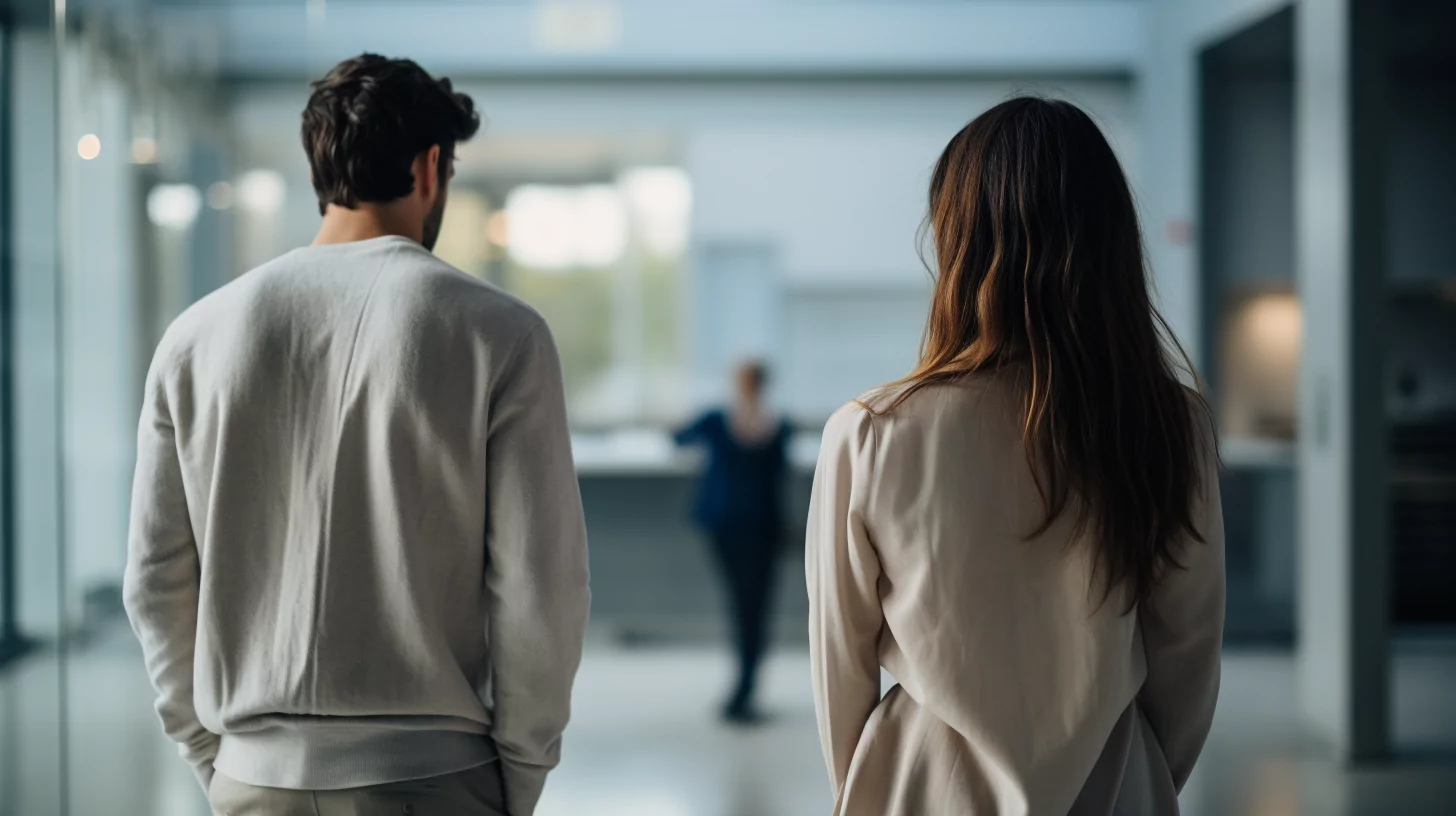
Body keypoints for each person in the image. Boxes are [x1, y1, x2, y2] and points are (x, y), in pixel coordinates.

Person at [123, 54, 590, 816]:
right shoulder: (498, 333)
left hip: (251, 781)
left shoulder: (197, 335)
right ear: (430, 166)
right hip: (432, 778)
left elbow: (155, 578)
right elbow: (541, 588)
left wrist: (214, 758)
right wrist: (522, 771)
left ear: (321, 166)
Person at [806, 97, 1225, 816]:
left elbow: (839, 665)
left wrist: (867, 782)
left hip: (922, 783)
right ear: (1111, 241)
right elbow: (1187, 650)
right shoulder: (1169, 422)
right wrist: (1144, 773)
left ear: (958, 241)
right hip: (1116, 778)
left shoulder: (871, 432)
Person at [675, 361, 792, 725]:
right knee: (747, 606)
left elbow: (678, 438)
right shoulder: (732, 421)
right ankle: (744, 686)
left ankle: (745, 686)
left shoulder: (766, 425)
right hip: (736, 527)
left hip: (752, 527)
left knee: (750, 607)